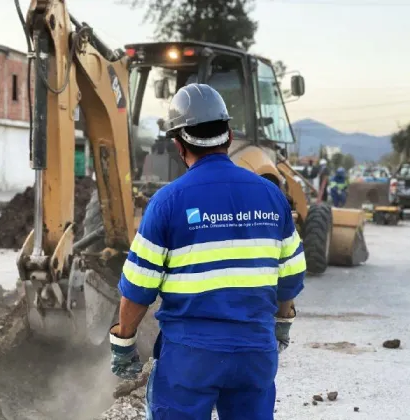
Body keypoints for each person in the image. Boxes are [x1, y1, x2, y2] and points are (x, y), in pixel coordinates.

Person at [108, 83, 306, 420]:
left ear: (177, 143)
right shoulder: (272, 197)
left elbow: (138, 288)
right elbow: (290, 277)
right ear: (228, 135)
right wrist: (283, 322)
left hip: (190, 358)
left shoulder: (166, 203)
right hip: (254, 352)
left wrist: (124, 342)